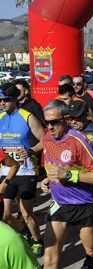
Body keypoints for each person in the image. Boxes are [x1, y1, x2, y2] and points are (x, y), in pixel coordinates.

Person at [41, 99, 93, 269]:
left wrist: (68, 175)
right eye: (47, 122)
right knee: (49, 256)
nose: (50, 126)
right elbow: (55, 168)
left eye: (55, 122)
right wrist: (49, 179)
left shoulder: (78, 141)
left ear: (66, 119)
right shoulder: (47, 139)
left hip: (83, 205)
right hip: (59, 204)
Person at [0, 84, 46, 257]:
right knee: (5, 215)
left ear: (13, 100)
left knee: (26, 213)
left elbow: (45, 139)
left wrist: (31, 150)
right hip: (6, 172)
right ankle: (25, 234)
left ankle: (37, 240)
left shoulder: (28, 117)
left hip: (27, 171)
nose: (1, 103)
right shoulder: (0, 117)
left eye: (5, 100)